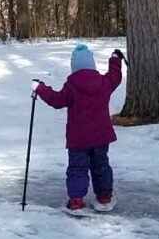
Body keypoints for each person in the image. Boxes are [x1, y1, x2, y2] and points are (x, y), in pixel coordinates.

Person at [34, 44, 123, 213]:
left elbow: (57, 100)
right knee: (101, 165)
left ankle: (76, 200)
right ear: (92, 65)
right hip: (101, 136)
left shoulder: (71, 85)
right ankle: (104, 197)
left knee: (77, 168)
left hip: (78, 138)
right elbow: (115, 76)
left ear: (74, 67)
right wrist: (115, 59)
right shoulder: (104, 82)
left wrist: (41, 88)